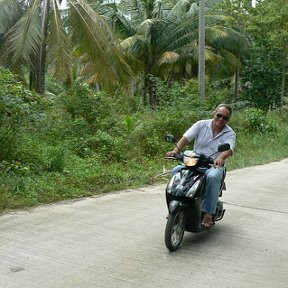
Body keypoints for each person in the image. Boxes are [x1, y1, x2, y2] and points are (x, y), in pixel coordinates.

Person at [165, 104, 236, 228]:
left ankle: (208, 213)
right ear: (214, 113)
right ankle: (174, 208)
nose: (221, 119)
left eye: (225, 118)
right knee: (176, 171)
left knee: (213, 177)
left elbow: (229, 149)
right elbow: (186, 138)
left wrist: (220, 157)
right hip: (194, 162)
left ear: (228, 120)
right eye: (219, 115)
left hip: (213, 165)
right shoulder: (201, 124)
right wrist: (175, 151)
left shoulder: (230, 133)